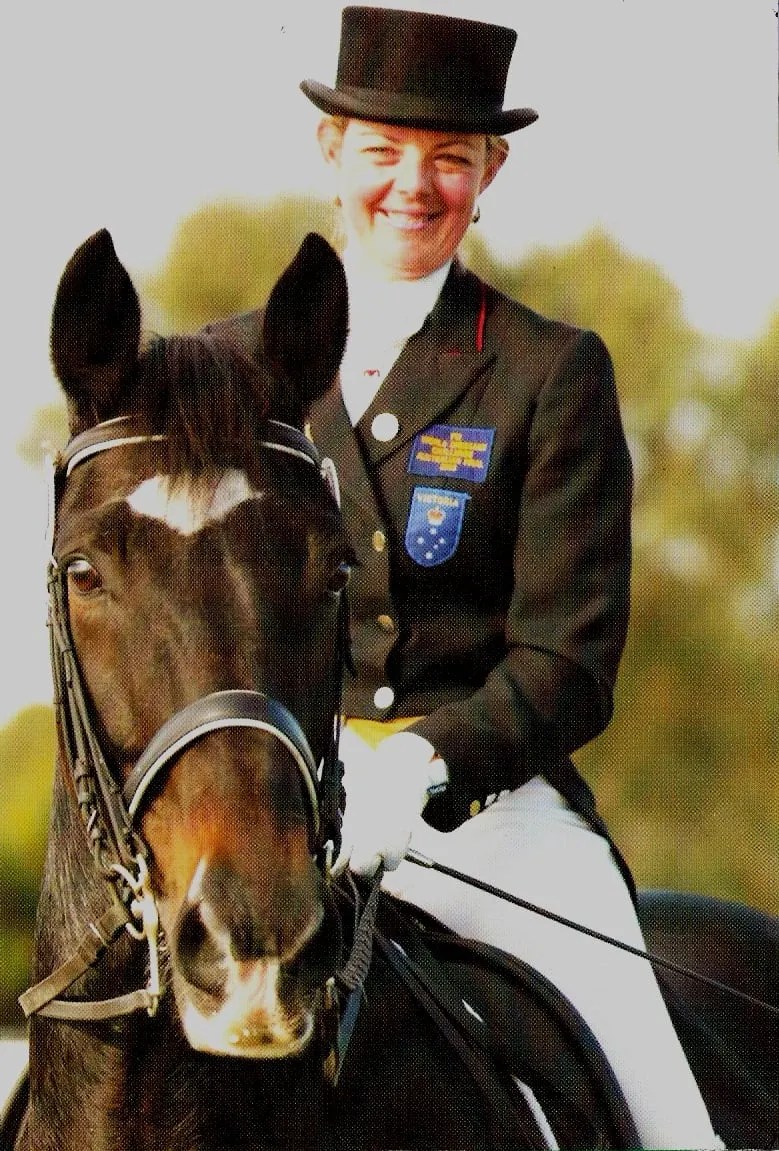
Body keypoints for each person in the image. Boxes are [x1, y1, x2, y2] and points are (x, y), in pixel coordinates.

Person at [297, 7, 722, 1147]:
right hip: (283, 812)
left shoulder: (544, 370)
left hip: (496, 823)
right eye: (382, 152)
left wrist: (426, 763)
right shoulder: (239, 370)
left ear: (489, 173)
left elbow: (570, 659)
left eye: (447, 158)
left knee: (673, 1129)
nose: (412, 185)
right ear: (330, 154)